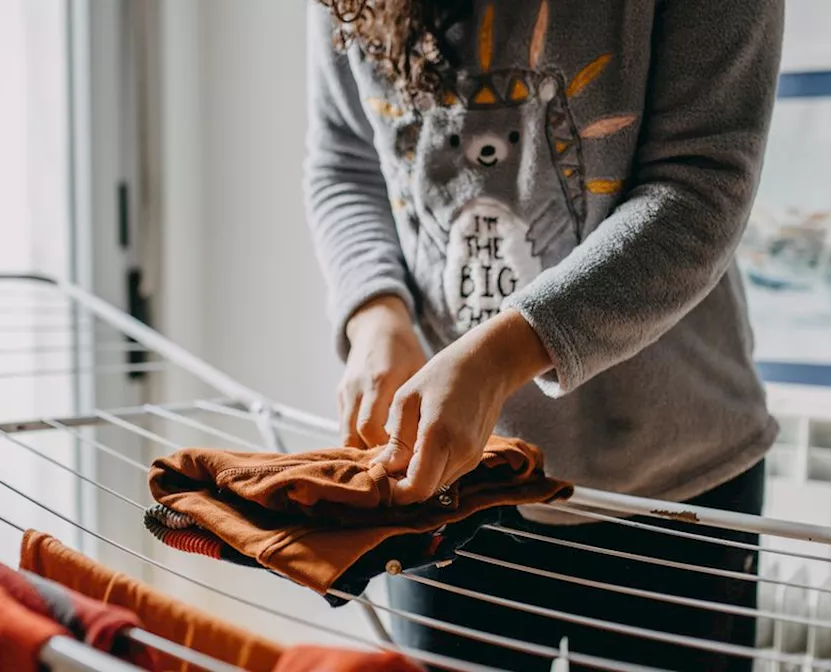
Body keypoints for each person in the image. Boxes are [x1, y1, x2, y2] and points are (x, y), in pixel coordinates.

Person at [302, 1, 783, 669]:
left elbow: (702, 182)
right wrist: (376, 315)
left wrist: (503, 354)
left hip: (671, 484)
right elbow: (346, 162)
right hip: (449, 486)